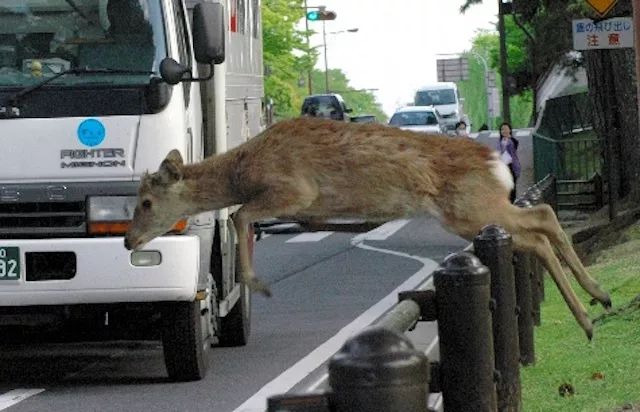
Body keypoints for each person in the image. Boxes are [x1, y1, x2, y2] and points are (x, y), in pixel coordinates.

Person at [497, 122, 521, 203]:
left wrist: (510, 138)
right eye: (502, 129)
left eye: (506, 129)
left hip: (512, 165)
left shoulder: (512, 141)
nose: (504, 131)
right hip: (504, 166)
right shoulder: (501, 141)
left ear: (510, 130)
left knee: (512, 184)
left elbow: (515, 145)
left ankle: (512, 201)